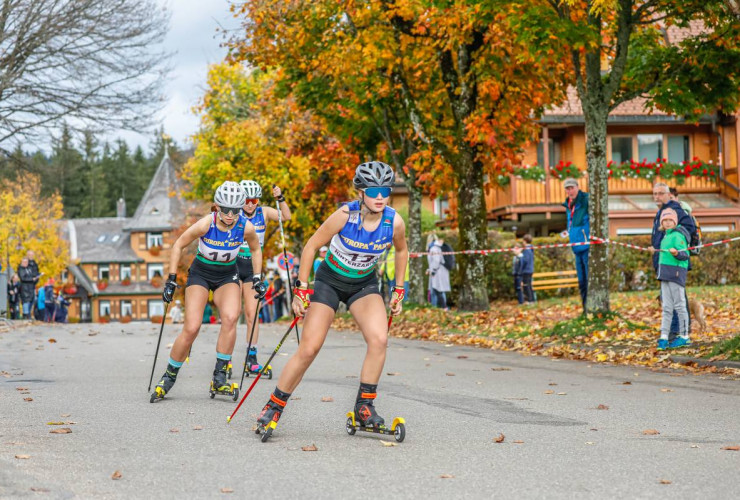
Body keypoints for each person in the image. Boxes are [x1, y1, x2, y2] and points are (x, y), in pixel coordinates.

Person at [255, 161, 408, 437]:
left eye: (385, 190)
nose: (380, 196)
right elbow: (312, 245)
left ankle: (365, 407)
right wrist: (301, 289)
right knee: (310, 348)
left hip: (363, 284)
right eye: (373, 191)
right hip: (329, 282)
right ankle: (273, 406)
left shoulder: (394, 221)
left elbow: (401, 251)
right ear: (361, 192)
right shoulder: (344, 216)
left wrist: (399, 288)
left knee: (380, 339)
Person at [150, 181, 265, 402]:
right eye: (226, 210)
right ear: (217, 207)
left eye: (235, 210)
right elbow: (178, 245)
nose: (231, 215)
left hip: (227, 275)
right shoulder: (206, 223)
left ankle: (220, 376)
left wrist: (257, 277)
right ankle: (169, 376)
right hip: (200, 274)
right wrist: (171, 280)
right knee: (192, 327)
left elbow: (256, 248)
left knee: (231, 317)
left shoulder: (245, 227)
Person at [237, 181, 291, 374]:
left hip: (253, 267)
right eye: (246, 200)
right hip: (234, 265)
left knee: (253, 315)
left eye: (254, 200)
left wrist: (280, 198)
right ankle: (224, 359)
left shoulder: (265, 212)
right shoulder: (234, 213)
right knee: (233, 314)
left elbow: (286, 216)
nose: (250, 204)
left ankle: (251, 357)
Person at [651, 182, 695, 341]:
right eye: (655, 193)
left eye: (660, 193)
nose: (657, 196)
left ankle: (679, 332)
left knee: (677, 300)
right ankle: (674, 330)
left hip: (675, 262)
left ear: (669, 194)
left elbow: (690, 228)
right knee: (669, 300)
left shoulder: (674, 208)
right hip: (664, 262)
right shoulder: (660, 212)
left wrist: (675, 242)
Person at [655, 208, 691, 350]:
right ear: (662, 222)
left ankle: (684, 336)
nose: (668, 223)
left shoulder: (677, 235)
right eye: (665, 220)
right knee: (666, 307)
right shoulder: (665, 237)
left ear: (675, 222)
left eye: (670, 220)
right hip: (664, 275)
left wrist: (676, 253)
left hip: (676, 274)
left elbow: (685, 255)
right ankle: (664, 337)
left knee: (680, 305)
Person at [562, 178, 590, 309]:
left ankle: (591, 307)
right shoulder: (568, 204)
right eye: (567, 189)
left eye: (572, 187)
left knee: (589, 280)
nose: (570, 191)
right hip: (576, 247)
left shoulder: (585, 200)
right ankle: (585, 308)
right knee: (581, 282)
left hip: (587, 246)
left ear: (577, 187)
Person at [427, 236, 450, 309]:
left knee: (438, 290)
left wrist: (432, 270)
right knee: (438, 290)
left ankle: (442, 307)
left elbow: (436, 261)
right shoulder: (437, 247)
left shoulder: (434, 248)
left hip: (438, 272)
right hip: (439, 271)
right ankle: (440, 307)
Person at [519, 234, 535, 303]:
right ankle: (532, 299)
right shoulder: (530, 249)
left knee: (527, 286)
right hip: (530, 269)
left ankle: (530, 300)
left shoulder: (527, 250)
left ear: (525, 241)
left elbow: (525, 260)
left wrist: (520, 257)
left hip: (526, 270)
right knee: (529, 285)